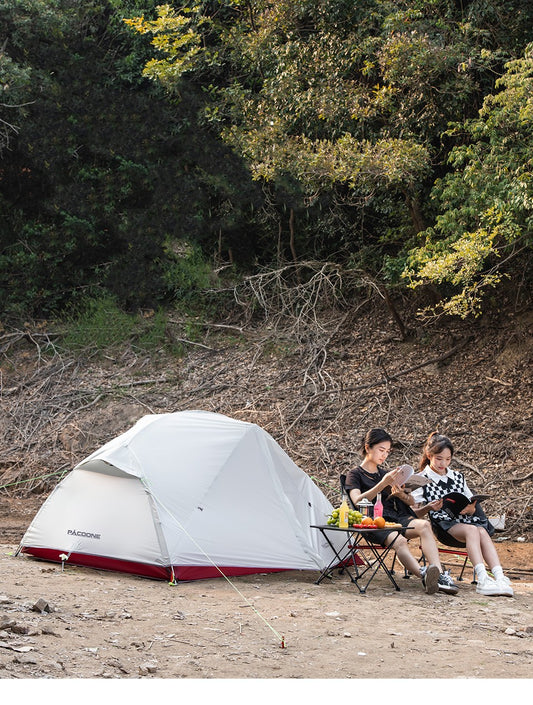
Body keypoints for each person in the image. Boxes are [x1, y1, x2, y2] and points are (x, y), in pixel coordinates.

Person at [344, 428, 458, 595]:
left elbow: (410, 504)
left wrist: (403, 494)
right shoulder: (355, 474)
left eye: (387, 452)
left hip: (396, 518)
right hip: (372, 522)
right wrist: (383, 484)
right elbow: (358, 501)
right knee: (400, 541)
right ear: (368, 448)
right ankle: (425, 576)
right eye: (381, 450)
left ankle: (439, 575)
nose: (384, 455)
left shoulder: (387, 474)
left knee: (425, 525)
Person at [411, 432, 513, 597]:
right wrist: (429, 508)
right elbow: (410, 512)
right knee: (473, 530)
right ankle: (482, 578)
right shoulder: (419, 479)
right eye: (439, 458)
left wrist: (471, 508)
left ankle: (499, 576)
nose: (443, 463)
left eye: (448, 459)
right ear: (429, 455)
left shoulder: (458, 477)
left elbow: (469, 501)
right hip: (443, 527)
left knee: (481, 530)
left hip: (464, 522)